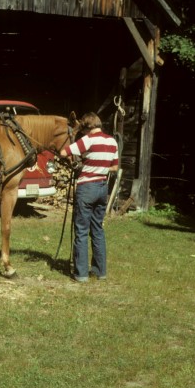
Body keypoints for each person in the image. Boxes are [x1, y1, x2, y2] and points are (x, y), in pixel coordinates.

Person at [60, 112, 119, 283]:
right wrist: (98, 167)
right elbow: (114, 167)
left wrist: (85, 163)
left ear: (87, 127)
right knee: (98, 230)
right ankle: (100, 272)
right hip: (102, 188)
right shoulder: (112, 141)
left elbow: (65, 152)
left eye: (83, 130)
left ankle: (81, 274)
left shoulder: (88, 140)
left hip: (87, 188)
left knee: (81, 230)